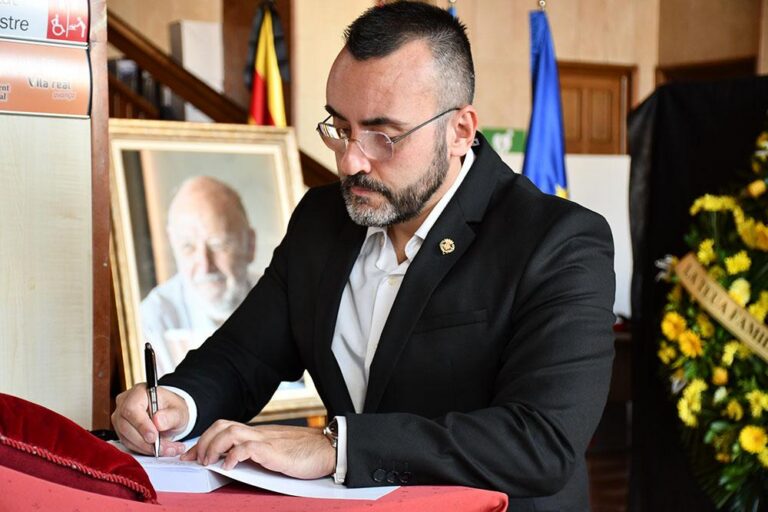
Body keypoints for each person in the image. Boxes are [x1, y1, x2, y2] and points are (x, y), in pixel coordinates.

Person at [113, 3, 615, 509]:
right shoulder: (321, 219)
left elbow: (541, 441)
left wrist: (338, 447)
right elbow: (244, 357)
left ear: (460, 131)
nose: (351, 161)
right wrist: (176, 404)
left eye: (383, 136)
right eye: (339, 127)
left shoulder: (559, 241)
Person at [139, 176, 257, 376]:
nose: (205, 265)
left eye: (218, 245)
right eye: (188, 247)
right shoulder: (152, 320)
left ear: (250, 245)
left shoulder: (284, 300)